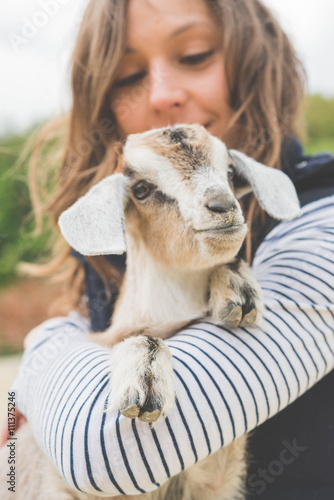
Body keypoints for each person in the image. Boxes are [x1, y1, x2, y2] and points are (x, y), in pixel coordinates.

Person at [2, 0, 334, 498]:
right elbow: (12, 447)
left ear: (255, 62)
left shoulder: (320, 223)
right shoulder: (104, 256)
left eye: (195, 54)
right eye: (128, 74)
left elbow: (100, 452)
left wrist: (46, 347)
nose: (162, 94)